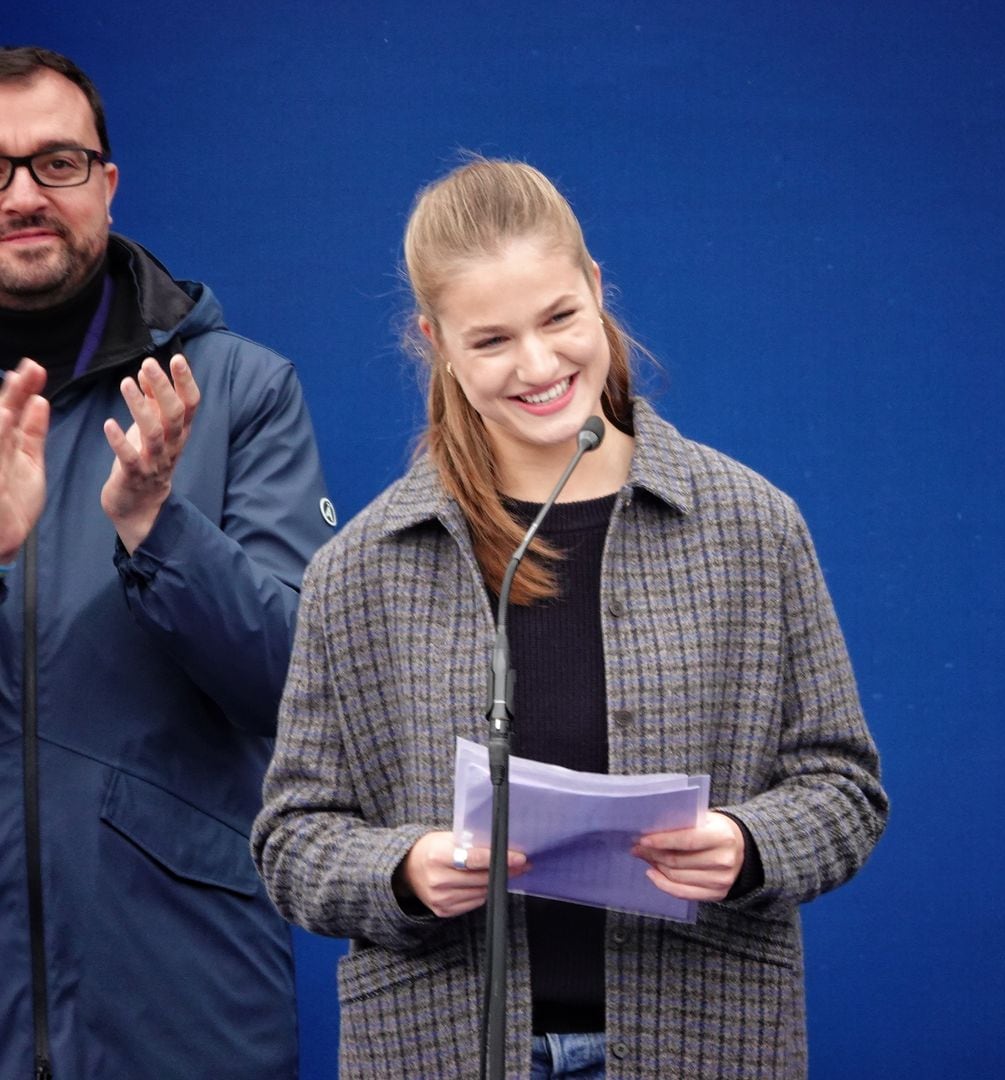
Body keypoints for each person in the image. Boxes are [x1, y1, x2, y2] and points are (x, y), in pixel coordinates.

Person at [253, 157, 888, 1079]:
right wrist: (404, 869)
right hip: (438, 1045)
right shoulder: (361, 567)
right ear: (435, 343)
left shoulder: (753, 525)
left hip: (702, 1039)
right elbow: (291, 838)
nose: (540, 365)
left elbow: (846, 789)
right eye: (492, 340)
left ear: (596, 290)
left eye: (559, 318)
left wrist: (749, 848)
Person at [0, 47, 336, 1079]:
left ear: (108, 180)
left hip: (182, 993)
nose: (21, 195)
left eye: (56, 162)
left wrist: (156, 522)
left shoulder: (235, 391)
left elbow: (301, 683)